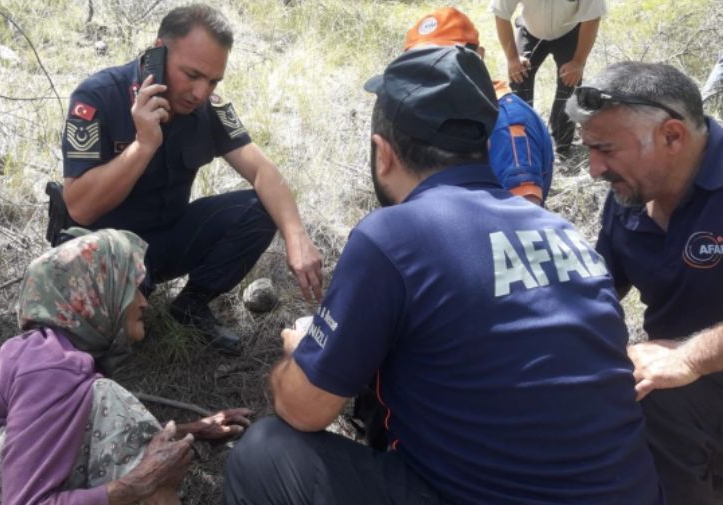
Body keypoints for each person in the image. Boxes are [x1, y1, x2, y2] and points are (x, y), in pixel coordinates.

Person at [222, 46, 663, 505]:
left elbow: (302, 408)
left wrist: (301, 356)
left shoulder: (391, 236)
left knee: (263, 453)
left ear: (383, 154)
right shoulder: (562, 232)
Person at [0, 228, 251, 505]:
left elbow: (56, 434)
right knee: (106, 405)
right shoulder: (55, 369)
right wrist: (136, 484)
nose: (145, 301)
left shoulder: (50, 355)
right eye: (133, 286)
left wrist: (188, 431)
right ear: (96, 294)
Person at [60, 4, 323, 355]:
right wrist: (143, 146)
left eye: (213, 80)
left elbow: (263, 172)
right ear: (157, 52)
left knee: (262, 209)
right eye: (192, 74)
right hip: (106, 256)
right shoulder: (99, 97)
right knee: (102, 351)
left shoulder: (207, 108)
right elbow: (80, 208)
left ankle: (191, 306)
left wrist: (297, 237)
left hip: (167, 239)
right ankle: (123, 307)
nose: (200, 92)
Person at [566, 61, 723, 505]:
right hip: (680, 402)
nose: (595, 169)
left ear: (672, 136)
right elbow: (597, 291)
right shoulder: (631, 194)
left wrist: (692, 357)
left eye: (606, 149)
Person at [404, 6, 553, 204]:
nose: (432, 72)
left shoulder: (507, 124)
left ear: (478, 56)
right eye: (419, 64)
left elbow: (526, 217)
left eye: (444, 59)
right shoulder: (438, 115)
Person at [490, 0, 606, 159]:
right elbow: (500, 14)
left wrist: (578, 62)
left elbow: (592, 17)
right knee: (519, 78)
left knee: (570, 84)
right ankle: (522, 141)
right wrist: (513, 59)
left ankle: (562, 146)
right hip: (530, 30)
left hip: (569, 32)